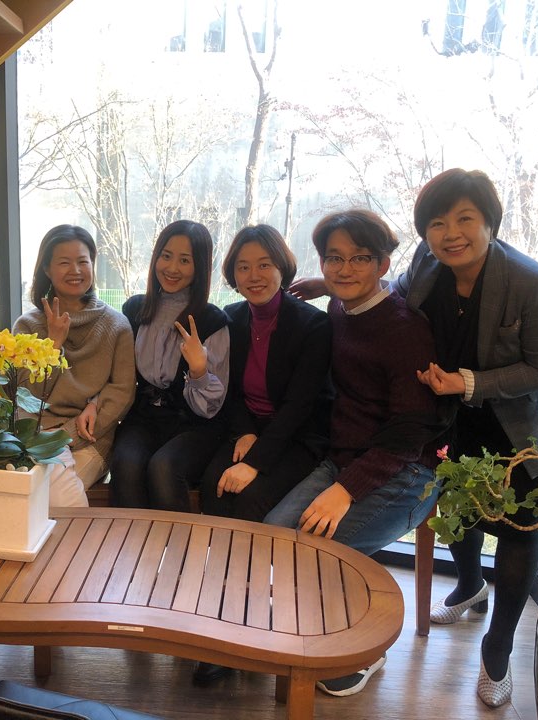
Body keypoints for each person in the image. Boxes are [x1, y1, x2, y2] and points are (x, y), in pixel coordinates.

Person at [402, 169, 538, 708]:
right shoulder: (427, 263)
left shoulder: (533, 283)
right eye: (437, 223)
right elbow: (399, 297)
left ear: (490, 222)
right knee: (458, 504)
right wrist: (337, 291)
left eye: (465, 218)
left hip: (527, 424)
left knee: (519, 532)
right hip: (458, 414)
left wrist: (469, 383)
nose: (450, 233)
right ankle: (468, 585)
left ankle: (497, 648)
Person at [265, 208, 444, 698]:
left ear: (383, 265)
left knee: (322, 551)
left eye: (360, 259)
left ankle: (363, 651)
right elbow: (344, 296)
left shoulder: (406, 331)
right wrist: (324, 288)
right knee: (275, 535)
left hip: (407, 471)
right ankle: (310, 629)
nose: (345, 269)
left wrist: (345, 490)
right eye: (334, 259)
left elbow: (410, 433)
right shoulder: (340, 308)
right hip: (346, 456)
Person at [200, 224, 331, 522]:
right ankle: (218, 554)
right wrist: (246, 432)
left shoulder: (313, 325)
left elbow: (299, 406)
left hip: (297, 436)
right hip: (250, 428)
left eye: (264, 265)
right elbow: (228, 388)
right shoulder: (231, 318)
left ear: (281, 268)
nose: (253, 276)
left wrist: (254, 462)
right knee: (214, 484)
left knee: (252, 497)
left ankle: (252, 556)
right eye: (243, 267)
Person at [109, 220, 230, 511]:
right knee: (125, 463)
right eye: (166, 256)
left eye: (185, 260)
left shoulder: (212, 320)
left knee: (163, 468)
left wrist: (199, 370)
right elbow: (116, 370)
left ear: (199, 267)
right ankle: (133, 540)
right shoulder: (135, 309)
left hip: (194, 424)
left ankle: (177, 542)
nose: (172, 268)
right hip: (144, 418)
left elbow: (210, 408)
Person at [13, 225, 136, 506]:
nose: (76, 270)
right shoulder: (28, 325)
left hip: (90, 438)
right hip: (36, 434)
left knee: (50, 498)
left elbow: (123, 390)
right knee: (35, 493)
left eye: (83, 261)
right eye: (64, 262)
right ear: (47, 269)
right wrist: (53, 345)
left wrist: (91, 408)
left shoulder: (116, 325)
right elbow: (27, 395)